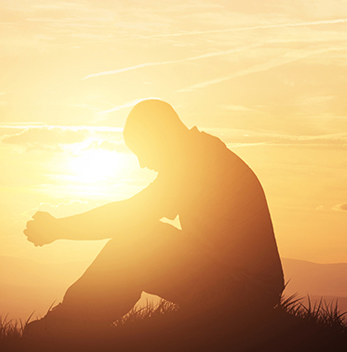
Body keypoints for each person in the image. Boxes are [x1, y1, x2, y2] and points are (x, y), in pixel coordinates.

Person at [23, 99, 285, 334]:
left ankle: (62, 328)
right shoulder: (202, 154)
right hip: (246, 288)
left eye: (141, 150)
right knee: (141, 237)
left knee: (136, 242)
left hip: (246, 293)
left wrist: (58, 229)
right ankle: (71, 324)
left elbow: (131, 214)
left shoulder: (198, 163)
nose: (142, 164)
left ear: (160, 137)